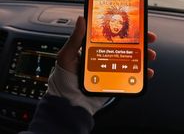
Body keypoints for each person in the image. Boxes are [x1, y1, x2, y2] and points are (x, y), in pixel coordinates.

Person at [19, 16, 157, 134]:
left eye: (120, 22)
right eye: (113, 21)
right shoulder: (99, 36)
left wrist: (65, 100)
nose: (116, 25)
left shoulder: (128, 39)